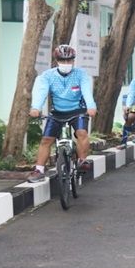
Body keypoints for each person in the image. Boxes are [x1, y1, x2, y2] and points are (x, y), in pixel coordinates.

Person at [27, 45, 97, 182]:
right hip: (57, 112)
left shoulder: (81, 74)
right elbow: (41, 91)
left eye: (69, 60)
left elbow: (87, 91)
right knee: (46, 140)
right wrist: (36, 107)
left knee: (82, 133)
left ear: (73, 60)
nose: (66, 64)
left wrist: (91, 106)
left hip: (78, 111)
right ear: (57, 60)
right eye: (62, 61)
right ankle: (39, 170)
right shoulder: (48, 76)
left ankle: (82, 161)